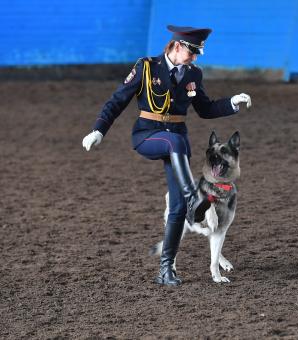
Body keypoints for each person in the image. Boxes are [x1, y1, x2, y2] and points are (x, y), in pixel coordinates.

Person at [82, 25, 252, 286]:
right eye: (192, 52)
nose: (195, 57)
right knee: (175, 142)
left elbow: (204, 109)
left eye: (197, 53)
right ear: (177, 45)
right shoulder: (147, 67)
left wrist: (231, 103)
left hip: (178, 146)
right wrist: (98, 130)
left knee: (177, 206)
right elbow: (117, 100)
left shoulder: (194, 74)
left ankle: (166, 270)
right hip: (147, 136)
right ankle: (195, 197)